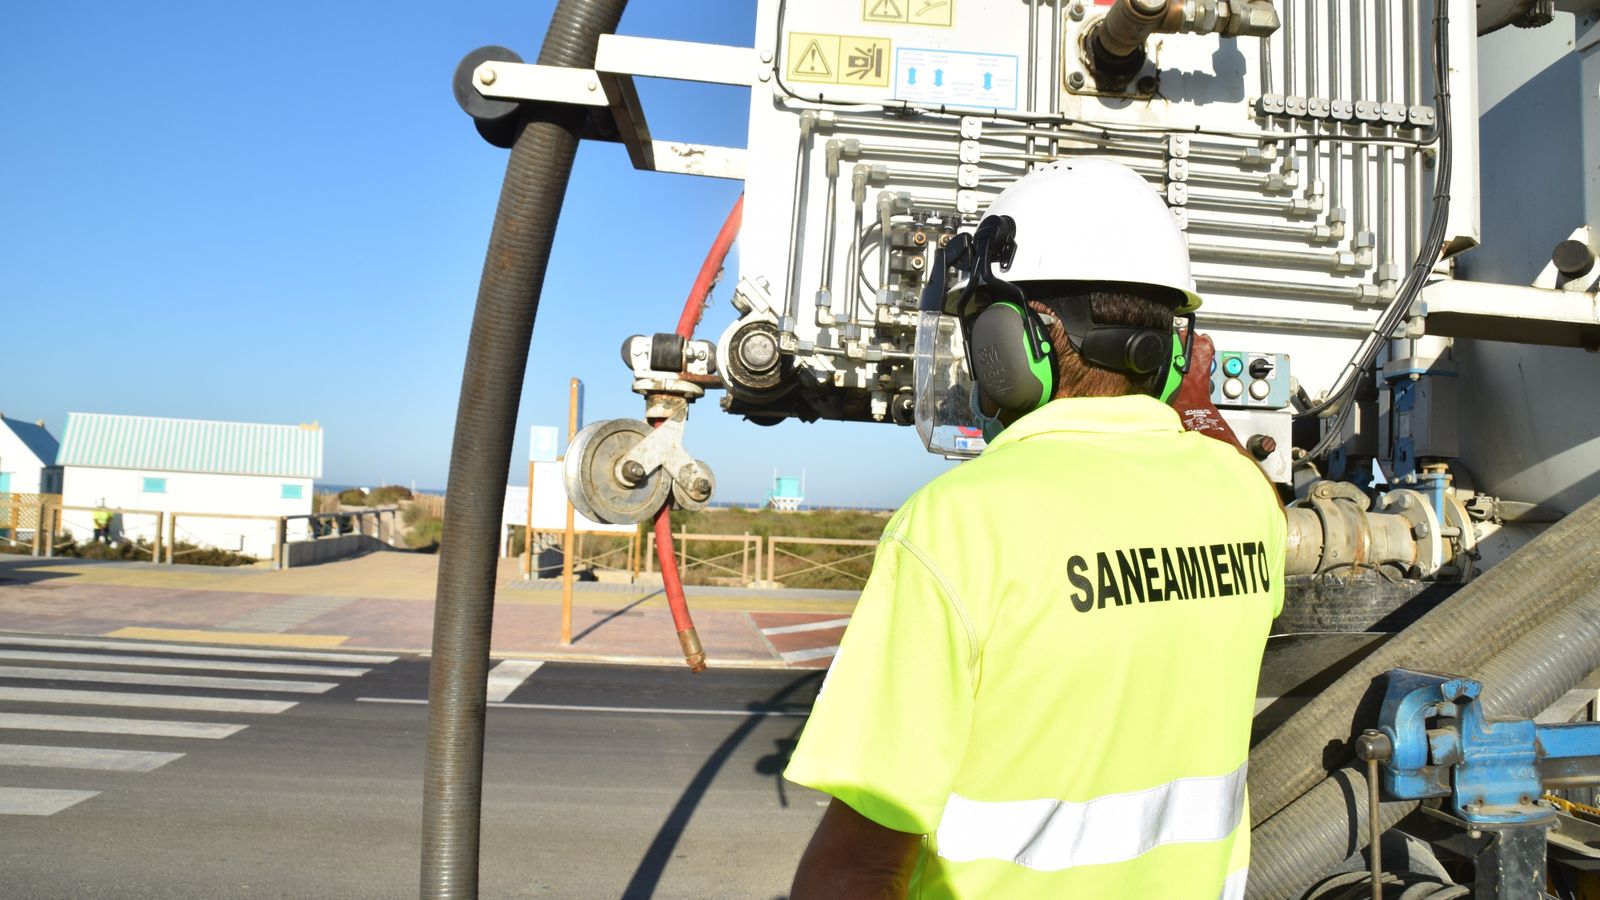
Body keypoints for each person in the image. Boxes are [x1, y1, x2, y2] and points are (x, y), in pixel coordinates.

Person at [785, 159, 1285, 899]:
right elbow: (1224, 473)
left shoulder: (959, 528)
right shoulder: (1243, 499)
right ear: (1176, 348)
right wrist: (1199, 405)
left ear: (1011, 341)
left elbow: (859, 863)